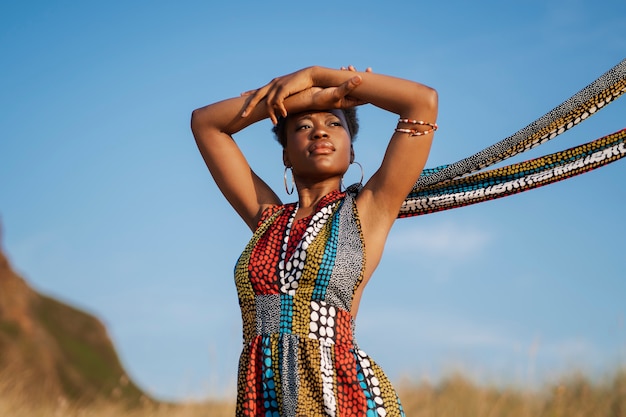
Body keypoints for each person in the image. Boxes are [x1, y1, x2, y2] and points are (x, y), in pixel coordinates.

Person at [191, 65, 438, 416]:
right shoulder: (267, 218)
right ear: (286, 155)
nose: (320, 132)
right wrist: (315, 98)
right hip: (263, 399)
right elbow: (205, 123)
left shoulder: (368, 210)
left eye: (335, 124)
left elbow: (422, 103)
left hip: (341, 397)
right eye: (303, 126)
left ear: (350, 152)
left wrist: (314, 75)